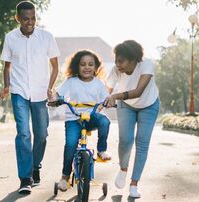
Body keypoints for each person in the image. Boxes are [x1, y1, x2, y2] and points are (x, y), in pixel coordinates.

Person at [0, 0, 60, 194]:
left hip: (41, 93)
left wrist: (50, 88)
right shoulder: (10, 38)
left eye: (33, 18)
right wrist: (7, 86)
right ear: (17, 18)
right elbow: (7, 66)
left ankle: (36, 167)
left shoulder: (46, 37)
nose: (30, 22)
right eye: (25, 19)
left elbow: (55, 66)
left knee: (41, 135)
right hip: (19, 92)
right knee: (24, 133)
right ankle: (25, 178)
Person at [104, 40, 160, 198]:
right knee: (125, 140)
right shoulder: (116, 70)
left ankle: (134, 185)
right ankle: (123, 169)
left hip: (148, 105)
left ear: (134, 59)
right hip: (126, 106)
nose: (117, 64)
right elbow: (105, 91)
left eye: (121, 61)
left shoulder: (146, 65)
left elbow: (139, 91)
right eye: (116, 60)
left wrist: (115, 96)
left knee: (142, 143)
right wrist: (102, 102)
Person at [51, 50, 112, 191]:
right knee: (71, 145)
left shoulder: (98, 84)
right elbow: (58, 94)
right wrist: (55, 99)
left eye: (91, 64)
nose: (87, 67)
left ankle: (101, 150)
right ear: (76, 66)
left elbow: (106, 98)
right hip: (74, 119)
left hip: (91, 117)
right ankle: (65, 177)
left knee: (105, 121)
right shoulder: (71, 82)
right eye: (83, 64)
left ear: (96, 67)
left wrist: (109, 101)